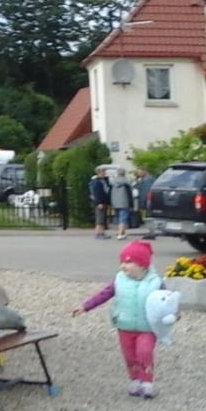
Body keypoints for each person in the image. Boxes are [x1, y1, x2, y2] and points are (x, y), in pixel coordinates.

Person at [71, 239, 165, 398]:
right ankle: (135, 379)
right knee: (130, 356)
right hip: (124, 326)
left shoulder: (156, 282)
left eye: (128, 262)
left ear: (142, 264)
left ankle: (147, 382)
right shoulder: (119, 280)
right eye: (122, 262)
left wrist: (173, 313)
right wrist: (85, 306)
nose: (123, 266)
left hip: (147, 327)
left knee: (144, 352)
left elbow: (167, 300)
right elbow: (104, 294)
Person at [109, 169, 134, 239]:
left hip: (115, 202)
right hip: (124, 202)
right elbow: (131, 190)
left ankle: (122, 232)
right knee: (123, 218)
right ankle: (120, 234)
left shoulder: (113, 182)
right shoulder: (126, 181)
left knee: (118, 217)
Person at [134, 168, 157, 239]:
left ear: (144, 171)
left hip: (148, 199)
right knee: (148, 214)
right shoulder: (147, 178)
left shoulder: (147, 179)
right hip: (148, 199)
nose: (138, 174)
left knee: (149, 215)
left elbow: (145, 191)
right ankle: (151, 231)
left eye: (139, 172)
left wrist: (143, 201)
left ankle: (151, 231)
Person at [90, 166, 111, 239]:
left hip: (104, 202)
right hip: (100, 202)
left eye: (104, 172)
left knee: (103, 218)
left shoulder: (103, 181)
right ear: (98, 173)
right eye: (103, 172)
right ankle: (98, 233)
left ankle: (102, 232)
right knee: (99, 218)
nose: (104, 173)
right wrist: (99, 203)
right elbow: (96, 193)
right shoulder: (96, 182)